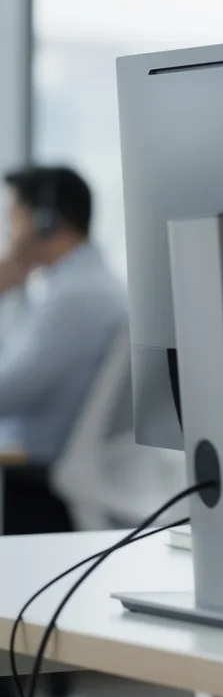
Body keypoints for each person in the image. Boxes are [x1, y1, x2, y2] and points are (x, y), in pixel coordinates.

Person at [0, 164, 128, 536]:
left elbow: (8, 393)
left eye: (14, 217)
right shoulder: (70, 288)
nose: (10, 230)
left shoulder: (77, 297)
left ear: (45, 222)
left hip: (32, 481)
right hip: (28, 471)